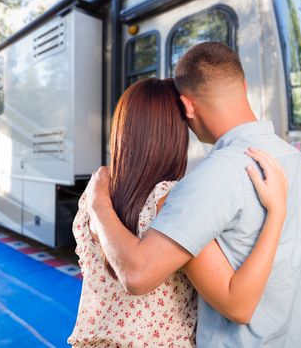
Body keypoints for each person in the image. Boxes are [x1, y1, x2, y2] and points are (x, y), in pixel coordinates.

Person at [86, 42, 301, 347]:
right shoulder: (300, 165)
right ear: (243, 85)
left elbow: (137, 275)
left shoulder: (213, 176)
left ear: (187, 106)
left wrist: (98, 204)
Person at [68, 77, 288, 347]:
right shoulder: (170, 202)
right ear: (174, 134)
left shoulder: (94, 195)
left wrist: (98, 203)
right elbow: (238, 304)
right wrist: (277, 211)